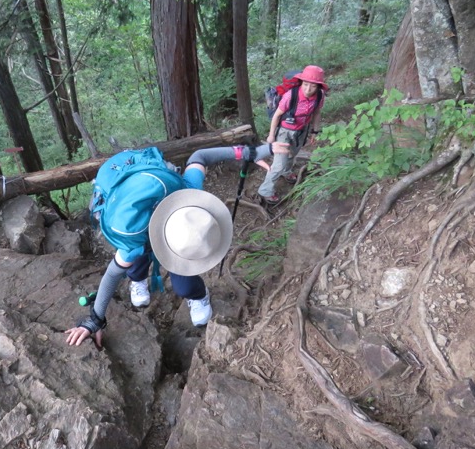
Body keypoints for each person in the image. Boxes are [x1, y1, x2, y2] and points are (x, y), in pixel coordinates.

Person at [65, 141, 290, 348]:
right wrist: (93, 321)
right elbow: (112, 275)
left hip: (154, 202)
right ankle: (138, 279)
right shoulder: (132, 236)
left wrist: (250, 152)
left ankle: (196, 295)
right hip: (123, 202)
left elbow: (199, 156)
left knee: (183, 283)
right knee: (135, 260)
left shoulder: (187, 193)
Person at [258, 65, 329, 205]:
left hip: (302, 129)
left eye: (313, 86)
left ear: (319, 87)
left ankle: (287, 171)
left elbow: (316, 113)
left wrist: (314, 131)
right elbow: (277, 115)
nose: (308, 89)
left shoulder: (319, 96)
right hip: (284, 131)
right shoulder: (292, 95)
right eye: (306, 84)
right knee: (278, 163)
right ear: (301, 82)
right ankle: (265, 191)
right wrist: (271, 136)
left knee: (292, 154)